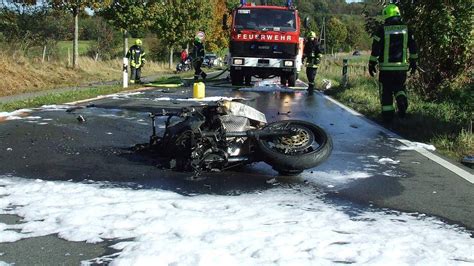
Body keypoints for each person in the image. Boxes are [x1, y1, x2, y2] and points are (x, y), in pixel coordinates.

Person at [368, 4, 418, 122]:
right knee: (399, 87)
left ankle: (388, 117)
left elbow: (376, 48)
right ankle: (401, 99)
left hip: (386, 69)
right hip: (401, 68)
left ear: (387, 15)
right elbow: (413, 45)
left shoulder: (382, 30)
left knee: (386, 92)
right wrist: (413, 61)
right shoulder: (406, 29)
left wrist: (371, 63)